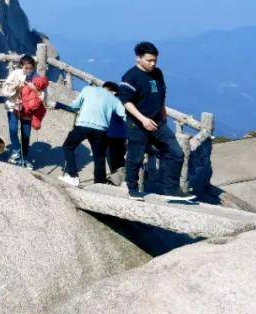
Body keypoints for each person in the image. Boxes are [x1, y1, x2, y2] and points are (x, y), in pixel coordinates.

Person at [118, 42, 187, 201]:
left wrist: (162, 110)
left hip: (158, 123)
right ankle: (132, 189)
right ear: (138, 58)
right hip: (137, 124)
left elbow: (162, 92)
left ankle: (172, 190)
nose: (153, 63)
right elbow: (126, 101)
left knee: (176, 153)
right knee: (135, 158)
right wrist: (142, 119)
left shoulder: (157, 73)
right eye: (149, 60)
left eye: (155, 60)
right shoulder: (130, 77)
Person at [60, 82, 127, 187]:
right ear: (114, 92)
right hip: (101, 130)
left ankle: (73, 176)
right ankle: (99, 182)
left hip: (83, 125)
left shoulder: (88, 89)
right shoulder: (115, 100)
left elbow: (75, 105)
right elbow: (124, 115)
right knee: (99, 156)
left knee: (68, 147)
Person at [2, 55, 38, 164]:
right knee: (13, 129)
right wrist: (16, 87)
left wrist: (34, 89)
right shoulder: (15, 74)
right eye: (26, 68)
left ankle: (24, 156)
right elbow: (5, 90)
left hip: (28, 109)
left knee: (26, 133)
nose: (28, 70)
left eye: (30, 68)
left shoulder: (36, 77)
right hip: (13, 106)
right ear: (21, 66)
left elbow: (42, 94)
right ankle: (16, 151)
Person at [15, 75, 48, 167]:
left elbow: (39, 103)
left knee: (25, 137)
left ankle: (22, 157)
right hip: (23, 114)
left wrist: (35, 90)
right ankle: (20, 156)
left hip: (26, 116)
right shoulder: (27, 87)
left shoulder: (40, 92)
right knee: (23, 136)